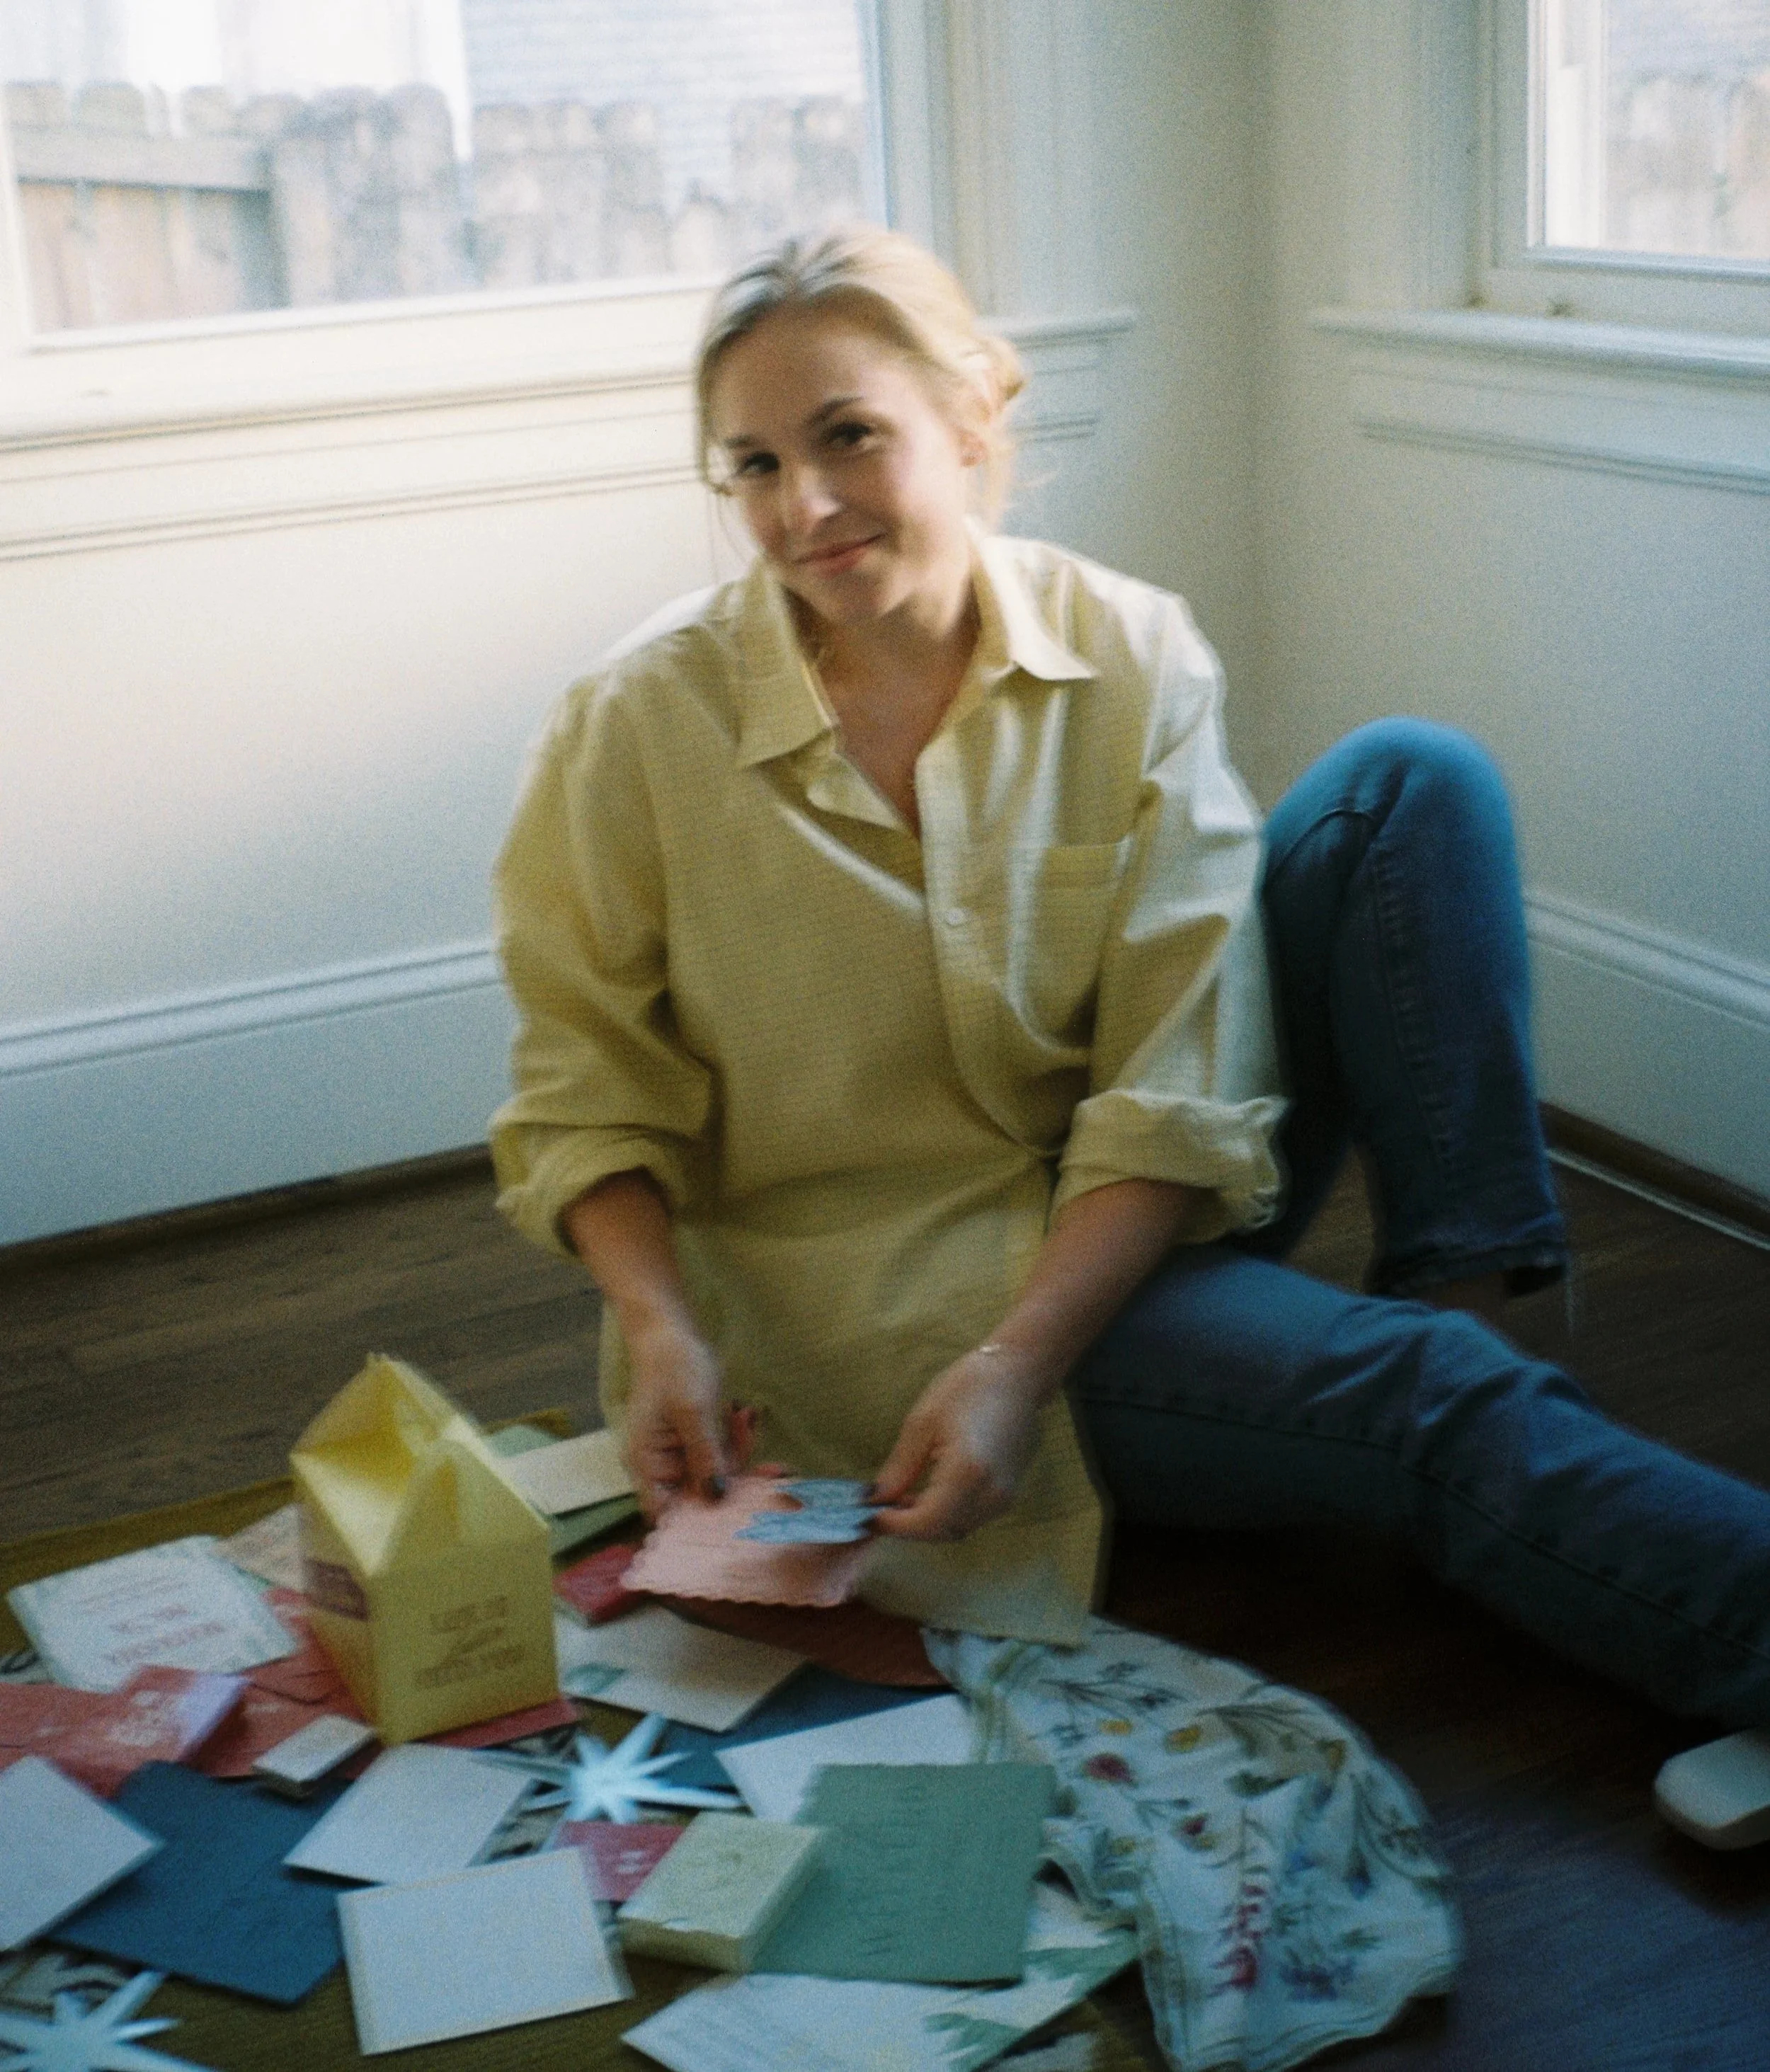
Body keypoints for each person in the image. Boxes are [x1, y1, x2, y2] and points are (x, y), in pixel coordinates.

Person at [490, 227, 1770, 1792]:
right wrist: (660, 1317)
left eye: (847, 437)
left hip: (1131, 1198)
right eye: (749, 463)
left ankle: (1444, 1344)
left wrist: (1040, 1351)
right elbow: (581, 1089)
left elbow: (1180, 1073)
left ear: (972, 419)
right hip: (887, 1310)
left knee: (1407, 784)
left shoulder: (1128, 646)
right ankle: (1437, 1424)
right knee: (1425, 1406)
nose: (799, 507)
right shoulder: (635, 724)